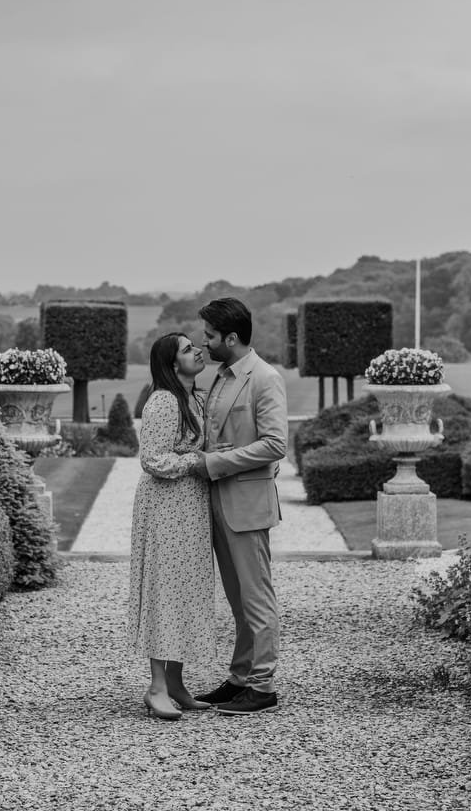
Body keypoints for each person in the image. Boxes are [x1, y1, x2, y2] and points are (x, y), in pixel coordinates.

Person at [192, 297, 288, 715]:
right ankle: (239, 678)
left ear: (231, 337)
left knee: (256, 598)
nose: (205, 342)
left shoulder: (265, 378)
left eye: (210, 336)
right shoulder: (219, 376)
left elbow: (274, 445)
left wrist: (215, 461)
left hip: (246, 504)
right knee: (237, 600)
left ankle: (263, 685)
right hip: (217, 503)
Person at [127, 332, 215, 720]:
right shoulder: (163, 401)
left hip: (191, 507)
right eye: (187, 349)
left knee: (187, 588)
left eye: (196, 345)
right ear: (172, 363)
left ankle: (178, 683)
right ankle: (157, 687)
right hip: (165, 507)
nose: (198, 350)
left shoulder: (196, 397)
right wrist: (195, 462)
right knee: (164, 589)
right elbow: (152, 459)